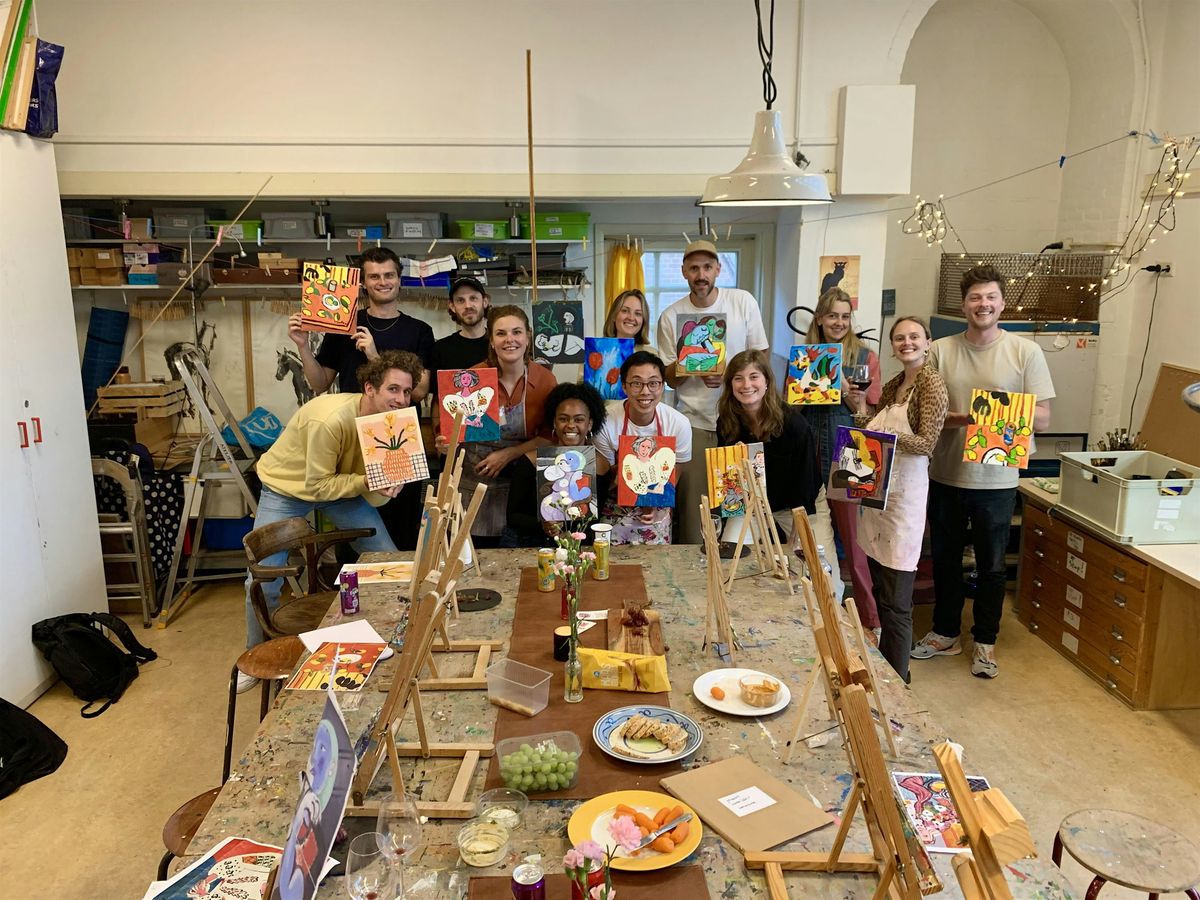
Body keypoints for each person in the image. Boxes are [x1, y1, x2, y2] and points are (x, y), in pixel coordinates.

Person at [241, 350, 424, 687]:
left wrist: (386, 484)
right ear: (369, 389)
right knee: (263, 578)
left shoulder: (393, 424)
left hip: (340, 486)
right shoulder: (330, 420)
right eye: (393, 389)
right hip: (288, 487)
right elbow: (316, 485)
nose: (401, 399)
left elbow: (370, 493)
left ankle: (393, 638)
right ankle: (255, 654)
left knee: (389, 559)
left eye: (406, 391)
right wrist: (367, 481)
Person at [914, 265, 1054, 678]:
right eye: (975, 298)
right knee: (945, 560)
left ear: (1002, 303)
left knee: (992, 567)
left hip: (997, 480)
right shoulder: (940, 351)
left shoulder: (1026, 352)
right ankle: (945, 633)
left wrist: (999, 413)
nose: (983, 304)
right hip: (946, 473)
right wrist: (968, 419)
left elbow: (1044, 419)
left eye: (991, 297)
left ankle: (986, 642)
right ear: (964, 306)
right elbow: (924, 413)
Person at [850, 317, 947, 684]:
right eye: (900, 338)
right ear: (892, 346)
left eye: (914, 337)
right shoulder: (894, 384)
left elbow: (926, 443)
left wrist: (886, 440)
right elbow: (871, 428)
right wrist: (859, 408)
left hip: (905, 498)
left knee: (897, 602)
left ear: (927, 342)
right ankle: (887, 669)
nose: (907, 342)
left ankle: (897, 678)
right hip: (879, 496)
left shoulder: (932, 384)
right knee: (880, 589)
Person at [657, 240, 769, 544]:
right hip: (694, 424)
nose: (701, 275)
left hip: (742, 423)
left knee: (740, 510)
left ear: (718, 269)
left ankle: (734, 567)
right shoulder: (670, 316)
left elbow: (761, 357)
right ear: (684, 272)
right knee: (695, 514)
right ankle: (693, 570)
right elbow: (668, 378)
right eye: (694, 268)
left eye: (707, 267)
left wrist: (730, 375)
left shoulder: (742, 302)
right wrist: (693, 365)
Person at [437, 305, 557, 544]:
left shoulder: (545, 380)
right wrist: (446, 443)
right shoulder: (472, 377)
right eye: (501, 333)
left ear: (528, 337)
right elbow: (451, 430)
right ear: (491, 340)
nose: (509, 339)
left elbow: (549, 436)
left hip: (520, 486)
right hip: (475, 483)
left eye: (516, 332)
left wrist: (509, 454)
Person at [800, 286, 883, 632]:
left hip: (852, 450)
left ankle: (870, 621)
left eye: (845, 316)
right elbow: (792, 410)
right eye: (832, 315)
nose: (839, 322)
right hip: (810, 452)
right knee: (810, 540)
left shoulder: (865, 357)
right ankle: (814, 615)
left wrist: (848, 393)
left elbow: (872, 415)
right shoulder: (804, 357)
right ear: (819, 318)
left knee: (855, 542)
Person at [287, 246, 435, 397]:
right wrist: (303, 346)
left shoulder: (420, 331)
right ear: (363, 283)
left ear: (399, 280)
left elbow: (419, 393)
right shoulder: (343, 324)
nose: (383, 282)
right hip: (351, 411)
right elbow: (320, 385)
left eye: (389, 275)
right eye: (374, 277)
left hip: (400, 413)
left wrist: (375, 358)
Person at [716, 349, 822, 545]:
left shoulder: (794, 423)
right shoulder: (726, 422)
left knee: (816, 559)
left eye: (753, 376)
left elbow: (805, 479)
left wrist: (799, 526)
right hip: (750, 502)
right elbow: (727, 483)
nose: (746, 385)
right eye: (738, 378)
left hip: (796, 502)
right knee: (731, 551)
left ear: (767, 382)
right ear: (730, 385)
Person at [593, 350, 693, 544]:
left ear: (662, 386)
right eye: (636, 383)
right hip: (615, 500)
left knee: (657, 559)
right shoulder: (605, 421)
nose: (645, 391)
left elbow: (676, 470)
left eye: (653, 383)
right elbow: (606, 477)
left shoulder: (679, 423)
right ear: (624, 386)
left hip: (658, 499)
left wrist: (655, 502)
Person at [505, 382, 610, 547]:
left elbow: (595, 517)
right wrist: (542, 524)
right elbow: (513, 516)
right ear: (554, 422)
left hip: (581, 547)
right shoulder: (531, 461)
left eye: (579, 419)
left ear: (589, 424)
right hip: (533, 545)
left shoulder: (600, 465)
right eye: (563, 419)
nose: (571, 425)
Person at [428, 276, 492, 403]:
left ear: (485, 301)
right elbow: (438, 400)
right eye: (460, 300)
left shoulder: (499, 346)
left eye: (473, 298)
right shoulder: (441, 349)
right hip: (456, 416)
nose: (467, 305)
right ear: (452, 306)